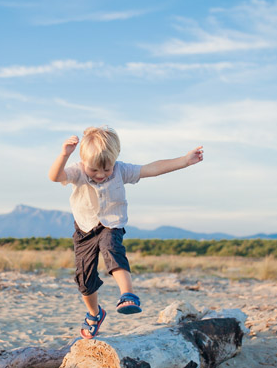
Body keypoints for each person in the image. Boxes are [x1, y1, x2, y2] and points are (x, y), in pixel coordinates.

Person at [48, 126, 204, 339]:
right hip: (84, 228)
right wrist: (65, 154)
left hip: (111, 223)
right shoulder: (77, 170)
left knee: (112, 249)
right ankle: (95, 313)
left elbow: (151, 168)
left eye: (107, 169)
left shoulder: (121, 170)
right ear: (84, 162)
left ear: (115, 160)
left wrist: (184, 161)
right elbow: (55, 176)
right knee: (84, 278)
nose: (102, 175)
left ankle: (127, 294)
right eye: (95, 170)